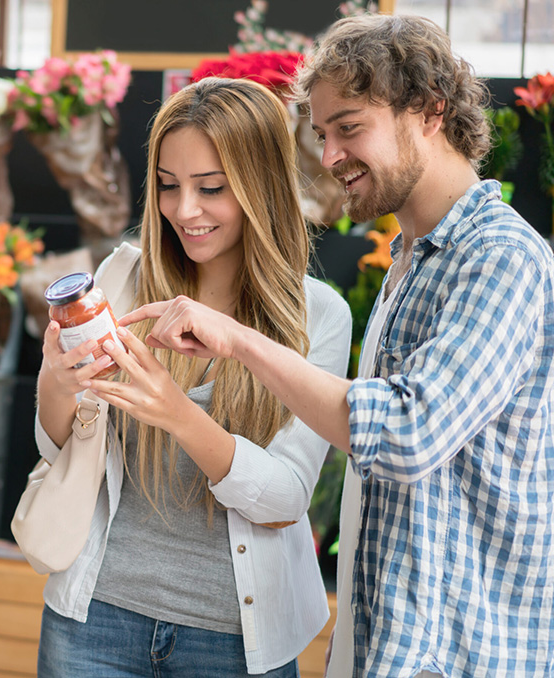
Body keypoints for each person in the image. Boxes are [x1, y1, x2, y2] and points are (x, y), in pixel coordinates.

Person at [113, 14, 554, 678]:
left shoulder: (500, 258)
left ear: (429, 112)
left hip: (467, 654)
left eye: (350, 128)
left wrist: (240, 342)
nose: (329, 157)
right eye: (322, 135)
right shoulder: (414, 260)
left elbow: (402, 435)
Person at [34, 76, 352, 677]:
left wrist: (177, 412)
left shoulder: (317, 318)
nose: (184, 211)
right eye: (167, 186)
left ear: (261, 188)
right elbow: (59, 446)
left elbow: (284, 500)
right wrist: (58, 381)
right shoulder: (124, 276)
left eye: (211, 188)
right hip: (95, 621)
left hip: (231, 642)